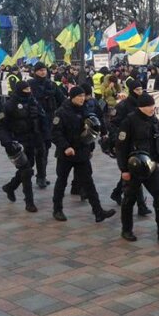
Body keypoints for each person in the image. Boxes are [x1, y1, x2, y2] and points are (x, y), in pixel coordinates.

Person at [115, 93, 159, 242]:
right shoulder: (129, 121)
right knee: (129, 199)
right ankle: (126, 230)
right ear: (141, 107)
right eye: (149, 106)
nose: (152, 108)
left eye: (153, 105)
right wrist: (123, 169)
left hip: (151, 166)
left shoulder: (154, 120)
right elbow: (121, 147)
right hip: (134, 166)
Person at [50, 86, 116, 222]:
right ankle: (57, 209)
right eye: (78, 96)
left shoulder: (86, 109)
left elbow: (92, 128)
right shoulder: (61, 112)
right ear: (71, 97)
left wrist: (92, 146)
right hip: (66, 154)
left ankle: (98, 211)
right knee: (61, 181)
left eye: (83, 96)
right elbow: (55, 133)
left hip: (81, 152)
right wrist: (66, 147)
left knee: (88, 182)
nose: (82, 98)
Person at [0, 81, 48, 213]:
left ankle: (10, 187)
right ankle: (29, 201)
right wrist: (7, 142)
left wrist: (46, 136)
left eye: (29, 88)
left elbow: (42, 119)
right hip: (18, 142)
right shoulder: (9, 105)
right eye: (25, 89)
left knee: (28, 168)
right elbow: (0, 126)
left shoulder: (33, 102)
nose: (28, 90)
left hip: (34, 140)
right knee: (26, 171)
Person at [108, 79, 151, 215]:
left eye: (141, 89)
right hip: (127, 145)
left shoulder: (143, 104)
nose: (140, 92)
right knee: (135, 173)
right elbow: (113, 124)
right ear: (132, 90)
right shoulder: (123, 106)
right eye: (137, 90)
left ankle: (116, 193)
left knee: (133, 174)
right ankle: (141, 205)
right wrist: (119, 139)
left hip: (141, 145)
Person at [29, 62, 65, 188]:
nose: (42, 72)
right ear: (35, 72)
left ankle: (41, 175)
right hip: (35, 122)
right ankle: (34, 175)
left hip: (49, 122)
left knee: (45, 149)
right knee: (38, 150)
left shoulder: (52, 84)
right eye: (39, 70)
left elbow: (62, 101)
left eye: (44, 69)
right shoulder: (31, 85)